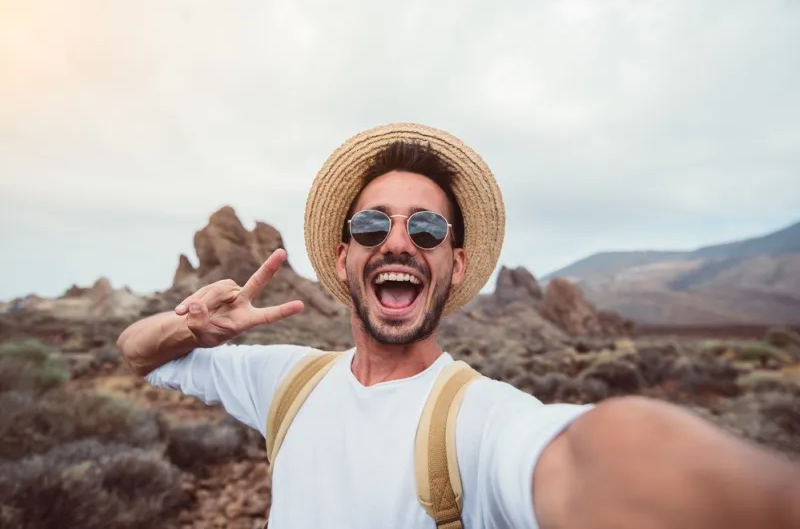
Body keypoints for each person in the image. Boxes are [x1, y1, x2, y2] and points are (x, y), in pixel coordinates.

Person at [118, 123, 799, 529]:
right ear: (342, 255)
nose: (398, 241)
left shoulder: (479, 420)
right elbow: (133, 353)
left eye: (427, 227)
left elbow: (597, 456)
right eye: (370, 224)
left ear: (454, 261)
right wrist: (190, 326)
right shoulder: (286, 379)